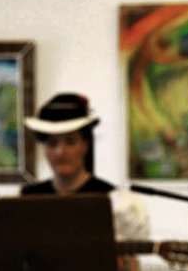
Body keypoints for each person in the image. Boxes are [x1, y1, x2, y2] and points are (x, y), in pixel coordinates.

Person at [21, 93, 149, 269]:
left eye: (70, 142)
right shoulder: (25, 200)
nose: (60, 152)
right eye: (52, 143)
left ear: (85, 145)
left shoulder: (117, 202)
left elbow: (132, 265)